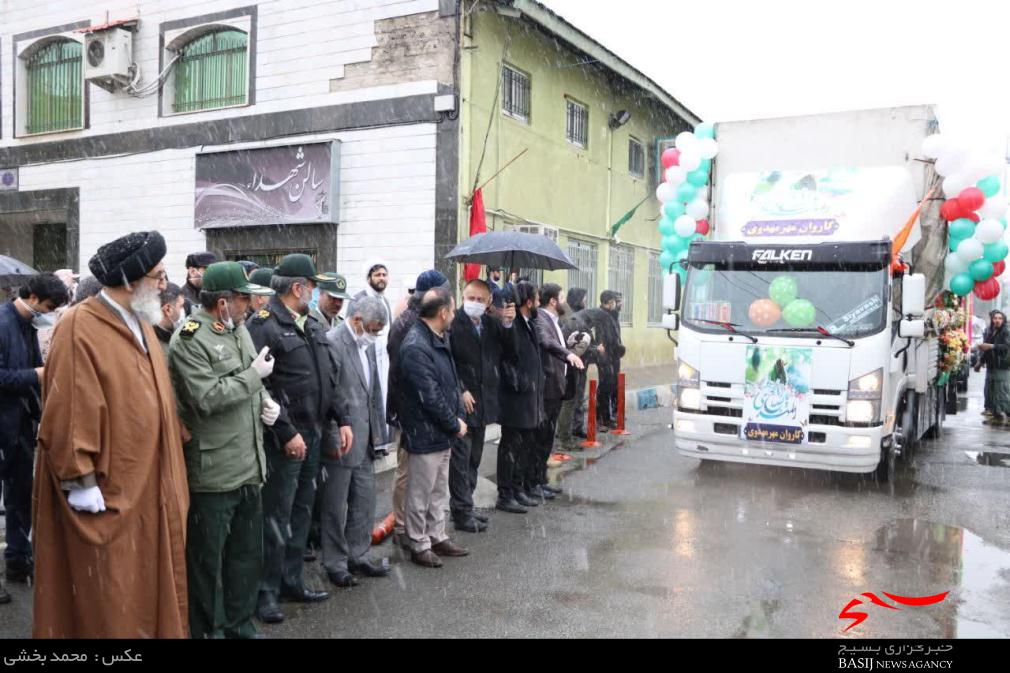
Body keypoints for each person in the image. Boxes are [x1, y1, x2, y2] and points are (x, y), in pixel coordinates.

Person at [33, 231, 190, 638]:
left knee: (149, 588)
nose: (163, 284)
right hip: (109, 489)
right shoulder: (79, 326)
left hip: (149, 483)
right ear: (128, 282)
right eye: (158, 276)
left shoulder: (142, 322)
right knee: (111, 599)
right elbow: (68, 407)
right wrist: (80, 479)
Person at [169, 262, 276, 639]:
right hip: (213, 473)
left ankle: (239, 626)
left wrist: (266, 399)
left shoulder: (239, 330)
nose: (250, 304)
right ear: (223, 301)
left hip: (249, 464)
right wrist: (254, 380)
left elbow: (249, 377)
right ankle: (207, 631)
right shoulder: (190, 338)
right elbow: (207, 397)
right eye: (244, 297)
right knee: (206, 566)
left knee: (246, 559)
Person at [247, 253, 352, 624]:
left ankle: (292, 580)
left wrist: (341, 418)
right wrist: (286, 432)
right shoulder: (265, 324)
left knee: (301, 512)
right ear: (298, 288)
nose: (315, 293)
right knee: (276, 515)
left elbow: (327, 374)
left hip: (314, 432)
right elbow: (261, 388)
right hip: (285, 438)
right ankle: (265, 592)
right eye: (312, 287)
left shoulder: (310, 323)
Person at [0, 274, 70, 603]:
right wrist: (35, 374)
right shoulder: (2, 323)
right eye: (48, 307)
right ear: (30, 296)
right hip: (2, 426)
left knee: (19, 499)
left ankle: (17, 561)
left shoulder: (28, 325)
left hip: (21, 428)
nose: (50, 313)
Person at [320, 296, 390, 587]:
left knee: (364, 498)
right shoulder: (333, 342)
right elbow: (330, 394)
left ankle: (358, 554)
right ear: (357, 320)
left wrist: (379, 436)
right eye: (373, 328)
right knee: (335, 505)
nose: (375, 335)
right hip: (342, 438)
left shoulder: (367, 343)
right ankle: (335, 562)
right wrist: (335, 436)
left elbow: (372, 393)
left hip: (364, 438)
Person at [398, 287, 469, 567]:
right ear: (443, 313)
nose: (454, 315)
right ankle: (418, 542)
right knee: (420, 492)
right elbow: (429, 395)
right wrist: (453, 423)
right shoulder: (416, 345)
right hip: (425, 431)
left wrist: (458, 416)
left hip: (442, 432)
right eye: (452, 310)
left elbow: (451, 382)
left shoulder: (439, 337)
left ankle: (436, 535)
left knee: (439, 490)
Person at [386, 269, 450, 549]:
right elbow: (407, 374)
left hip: (425, 411)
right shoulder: (409, 325)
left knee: (429, 480)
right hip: (411, 412)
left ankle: (424, 529)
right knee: (408, 472)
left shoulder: (426, 323)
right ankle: (403, 528)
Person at [448, 279, 516, 532]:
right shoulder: (453, 323)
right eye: (470, 298)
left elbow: (510, 353)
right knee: (461, 461)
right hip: (463, 402)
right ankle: (461, 512)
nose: (474, 304)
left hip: (484, 401)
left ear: (489, 302)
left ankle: (468, 506)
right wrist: (460, 390)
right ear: (463, 296)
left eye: (479, 300)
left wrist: (508, 324)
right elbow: (448, 360)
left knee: (475, 458)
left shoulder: (490, 324)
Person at [496, 281, 545, 514]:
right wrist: (506, 323)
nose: (538, 303)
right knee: (510, 447)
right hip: (516, 397)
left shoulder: (528, 323)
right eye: (536, 299)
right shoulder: (513, 325)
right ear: (527, 302)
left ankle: (518, 489)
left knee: (523, 446)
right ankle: (505, 494)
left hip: (530, 397)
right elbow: (508, 355)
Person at [532, 284, 584, 498]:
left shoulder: (555, 320)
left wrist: (570, 346)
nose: (565, 302)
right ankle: (534, 482)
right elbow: (546, 342)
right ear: (553, 301)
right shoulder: (541, 319)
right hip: (547, 387)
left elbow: (556, 344)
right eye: (561, 297)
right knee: (540, 438)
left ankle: (541, 481)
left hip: (557, 387)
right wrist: (568, 354)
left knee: (546, 438)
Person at [354, 262, 394, 454]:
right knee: (370, 400)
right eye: (377, 275)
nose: (381, 279)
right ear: (369, 277)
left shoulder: (385, 301)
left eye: (384, 275)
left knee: (383, 399)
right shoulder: (359, 299)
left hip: (383, 360)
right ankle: (372, 444)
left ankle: (382, 443)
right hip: (366, 357)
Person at [556, 287, 596, 447]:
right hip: (570, 365)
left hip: (579, 364)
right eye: (584, 298)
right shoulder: (568, 318)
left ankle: (575, 428)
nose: (585, 301)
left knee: (578, 397)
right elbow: (569, 342)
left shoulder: (579, 316)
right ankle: (565, 435)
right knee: (569, 400)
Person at [976, 310, 1010, 426]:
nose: (997, 320)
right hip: (992, 366)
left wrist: (991, 346)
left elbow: (1006, 347)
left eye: (1000, 318)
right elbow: (986, 348)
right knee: (992, 390)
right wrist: (980, 362)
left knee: (1002, 391)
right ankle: (996, 415)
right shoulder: (991, 331)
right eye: (995, 318)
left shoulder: (1006, 331)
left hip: (1003, 366)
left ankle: (1007, 414)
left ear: (1003, 320)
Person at [153, 282, 185, 365]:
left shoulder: (176, 333)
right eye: (181, 306)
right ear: (168, 309)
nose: (183, 311)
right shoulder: (154, 346)